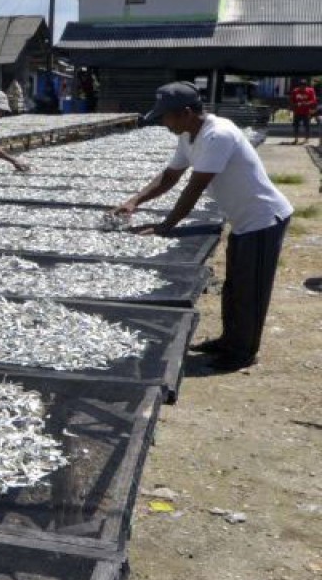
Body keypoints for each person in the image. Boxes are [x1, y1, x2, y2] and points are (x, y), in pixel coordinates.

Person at [114, 81, 293, 371]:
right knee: (235, 287)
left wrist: (165, 227)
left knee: (251, 290)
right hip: (244, 220)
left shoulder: (217, 134)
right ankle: (229, 341)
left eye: (166, 116)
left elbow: (194, 188)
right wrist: (135, 201)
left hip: (263, 219)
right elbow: (170, 176)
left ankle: (242, 353)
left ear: (185, 113)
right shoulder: (188, 135)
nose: (163, 122)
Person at [287, 77, 317, 145]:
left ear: (306, 86)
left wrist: (306, 103)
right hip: (297, 111)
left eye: (303, 86)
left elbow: (314, 100)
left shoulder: (310, 91)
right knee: (296, 126)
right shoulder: (295, 91)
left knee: (307, 126)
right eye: (301, 86)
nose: (302, 88)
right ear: (299, 86)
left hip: (306, 112)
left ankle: (306, 139)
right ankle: (296, 139)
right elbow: (291, 101)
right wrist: (295, 104)